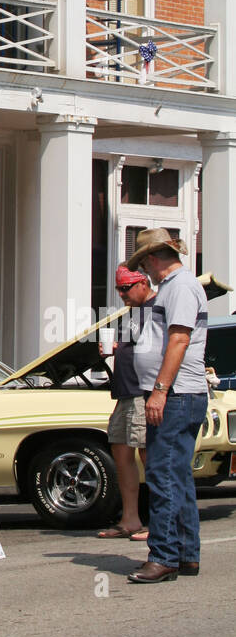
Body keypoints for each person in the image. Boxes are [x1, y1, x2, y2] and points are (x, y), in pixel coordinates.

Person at [123, 229, 209, 584]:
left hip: (176, 395)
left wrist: (159, 390)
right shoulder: (176, 287)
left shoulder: (181, 287)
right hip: (177, 394)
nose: (144, 269)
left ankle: (164, 555)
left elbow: (179, 339)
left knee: (161, 473)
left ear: (153, 259)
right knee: (176, 474)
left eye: (144, 262)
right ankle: (185, 554)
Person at [96, 263, 155, 541]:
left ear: (143, 282)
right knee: (121, 453)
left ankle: (159, 521)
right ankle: (130, 518)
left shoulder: (158, 309)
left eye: (125, 288)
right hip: (124, 393)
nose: (121, 294)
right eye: (118, 289)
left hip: (144, 392)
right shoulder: (130, 314)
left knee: (149, 456)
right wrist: (114, 348)